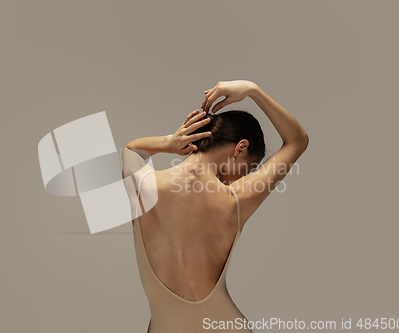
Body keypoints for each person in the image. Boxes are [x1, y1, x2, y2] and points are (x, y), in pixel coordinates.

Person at [122, 80, 309, 332]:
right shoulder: (237, 199)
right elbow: (297, 141)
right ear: (240, 148)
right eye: (250, 168)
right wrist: (253, 90)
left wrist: (169, 142)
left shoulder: (144, 185)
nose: (243, 177)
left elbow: (132, 149)